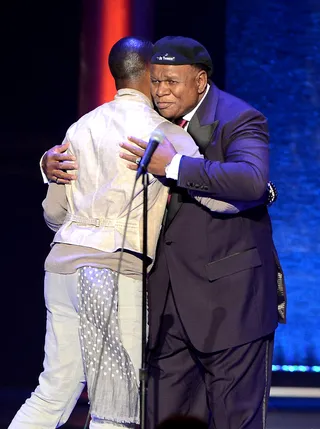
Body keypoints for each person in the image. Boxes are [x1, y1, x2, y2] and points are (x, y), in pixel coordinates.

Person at [9, 36, 261, 429]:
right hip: (110, 272)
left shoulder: (81, 126)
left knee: (52, 392)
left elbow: (53, 212)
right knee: (116, 405)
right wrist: (264, 194)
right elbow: (221, 201)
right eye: (159, 77)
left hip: (61, 268)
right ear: (149, 73)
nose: (162, 87)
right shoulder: (164, 134)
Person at [118, 36, 286, 429]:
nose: (160, 91)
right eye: (155, 81)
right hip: (168, 310)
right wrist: (48, 164)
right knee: (166, 421)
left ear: (199, 80)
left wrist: (174, 166)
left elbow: (251, 181)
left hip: (230, 305)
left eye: (171, 81)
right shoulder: (149, 120)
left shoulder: (239, 117)